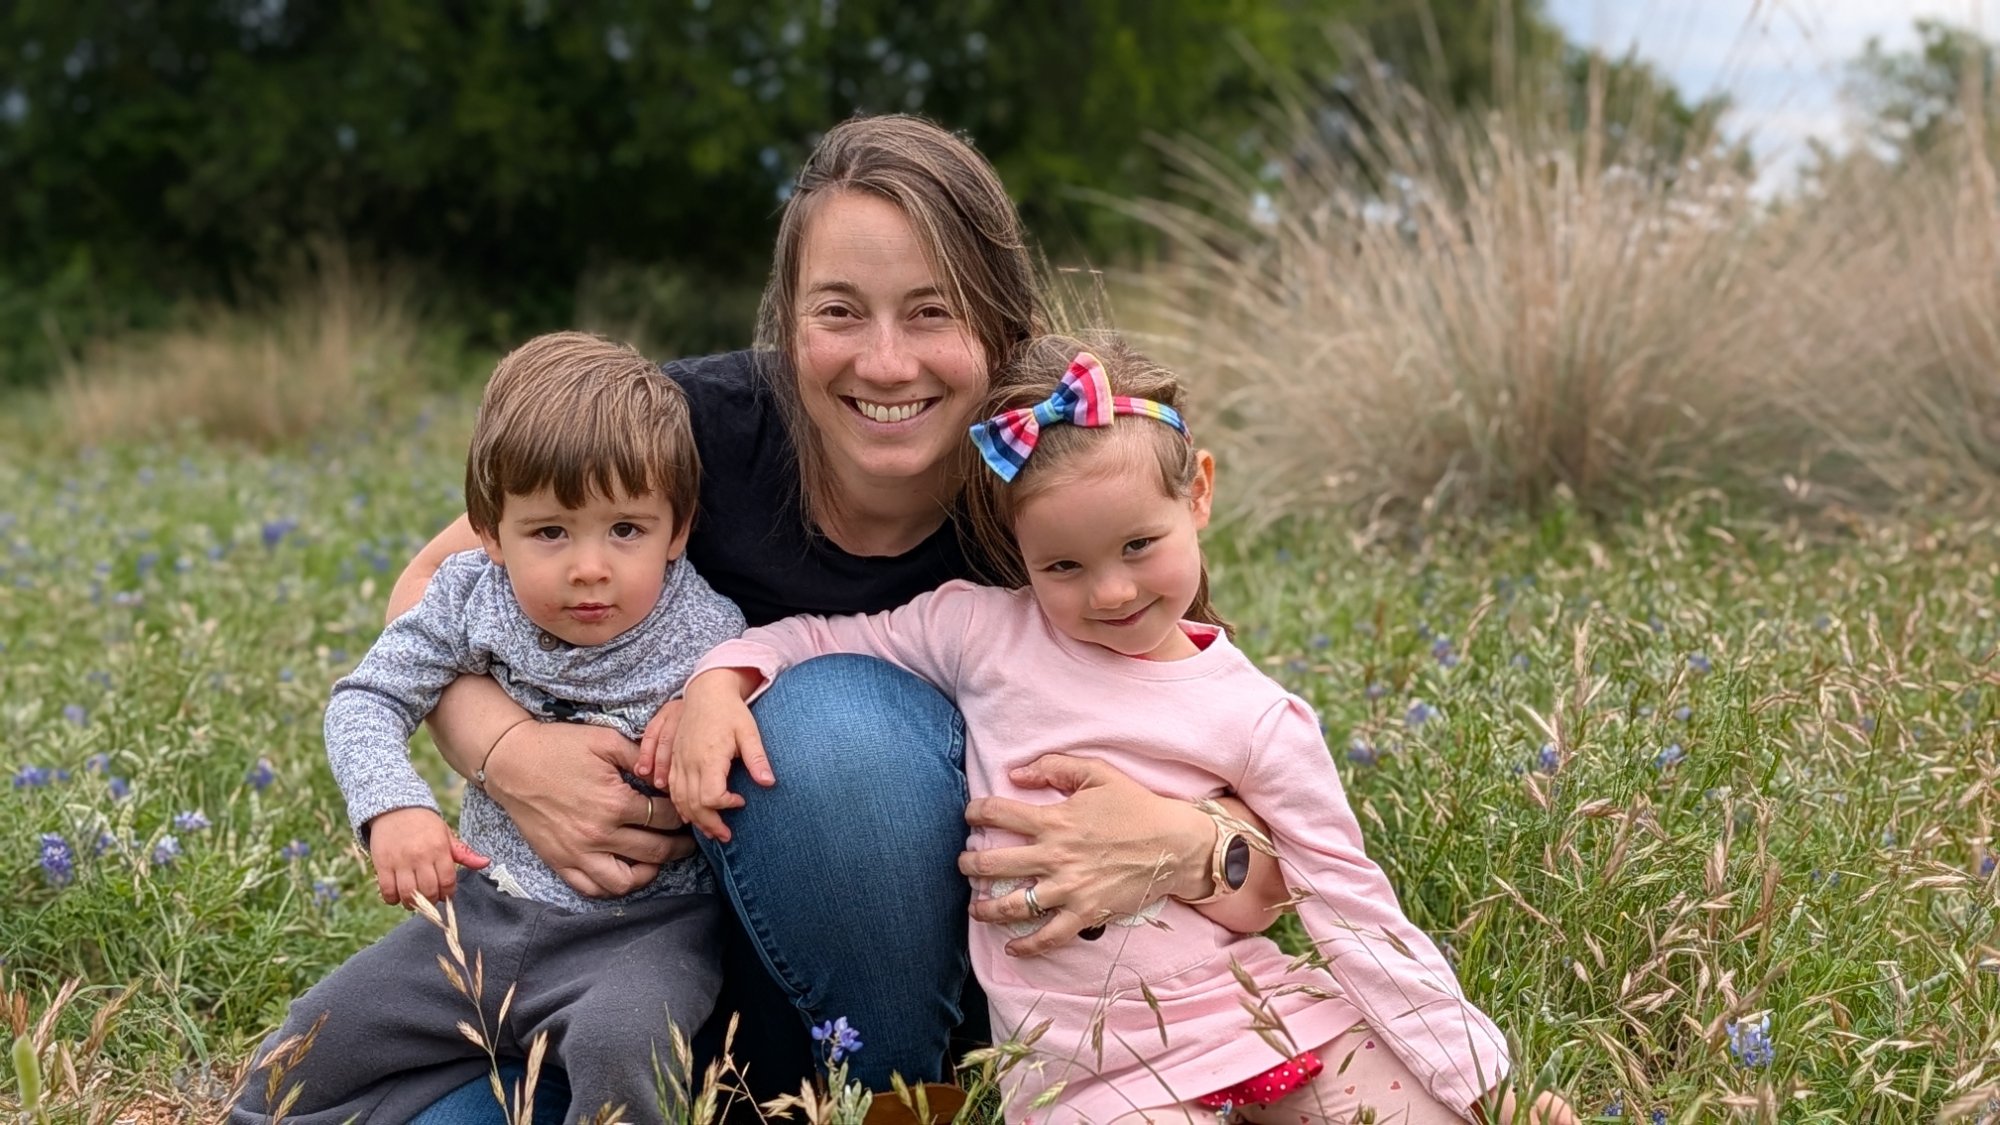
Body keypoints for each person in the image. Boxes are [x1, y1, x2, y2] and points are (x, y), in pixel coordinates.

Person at [389, 115, 1297, 1123]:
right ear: (784, 321)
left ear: (1001, 325)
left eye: (929, 312)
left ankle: (894, 1103)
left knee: (831, 735)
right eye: (838, 311)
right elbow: (425, 594)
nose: (884, 362)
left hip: (970, 1009)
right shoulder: (687, 433)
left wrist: (1179, 841)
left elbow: (1250, 790)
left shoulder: (1062, 468)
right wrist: (510, 753)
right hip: (624, 976)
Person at [671, 335, 1582, 1125]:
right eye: (1063, 564)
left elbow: (1353, 909)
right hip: (1091, 1063)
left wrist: (1481, 1081)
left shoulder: (1257, 714)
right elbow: (826, 635)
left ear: (1200, 495)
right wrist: (722, 679)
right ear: (1018, 555)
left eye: (1138, 547)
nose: (1109, 592)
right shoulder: (984, 631)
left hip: (1257, 1010)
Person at [236, 333, 745, 1125]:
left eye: (626, 530)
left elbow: (756, 687)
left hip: (642, 935)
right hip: (482, 911)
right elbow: (364, 698)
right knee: (305, 1042)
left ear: (678, 530)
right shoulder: (471, 596)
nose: (589, 567)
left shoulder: (708, 626)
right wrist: (393, 808)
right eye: (550, 531)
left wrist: (711, 698)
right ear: (488, 529)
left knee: (624, 1044)